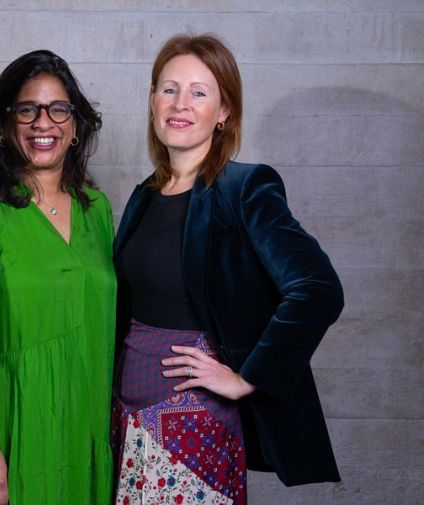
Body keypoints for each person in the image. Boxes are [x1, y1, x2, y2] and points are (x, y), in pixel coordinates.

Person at [111, 33, 344, 504]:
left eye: (200, 91)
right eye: (169, 88)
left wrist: (245, 377)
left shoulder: (245, 187)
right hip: (125, 413)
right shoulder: (144, 194)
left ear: (224, 112)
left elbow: (318, 288)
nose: (181, 103)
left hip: (192, 419)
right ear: (153, 99)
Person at [0, 50, 115, 505]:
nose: (42, 123)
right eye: (27, 109)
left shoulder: (98, 210)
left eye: (59, 109)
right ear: (5, 125)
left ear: (76, 125)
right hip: (4, 427)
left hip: (80, 429)